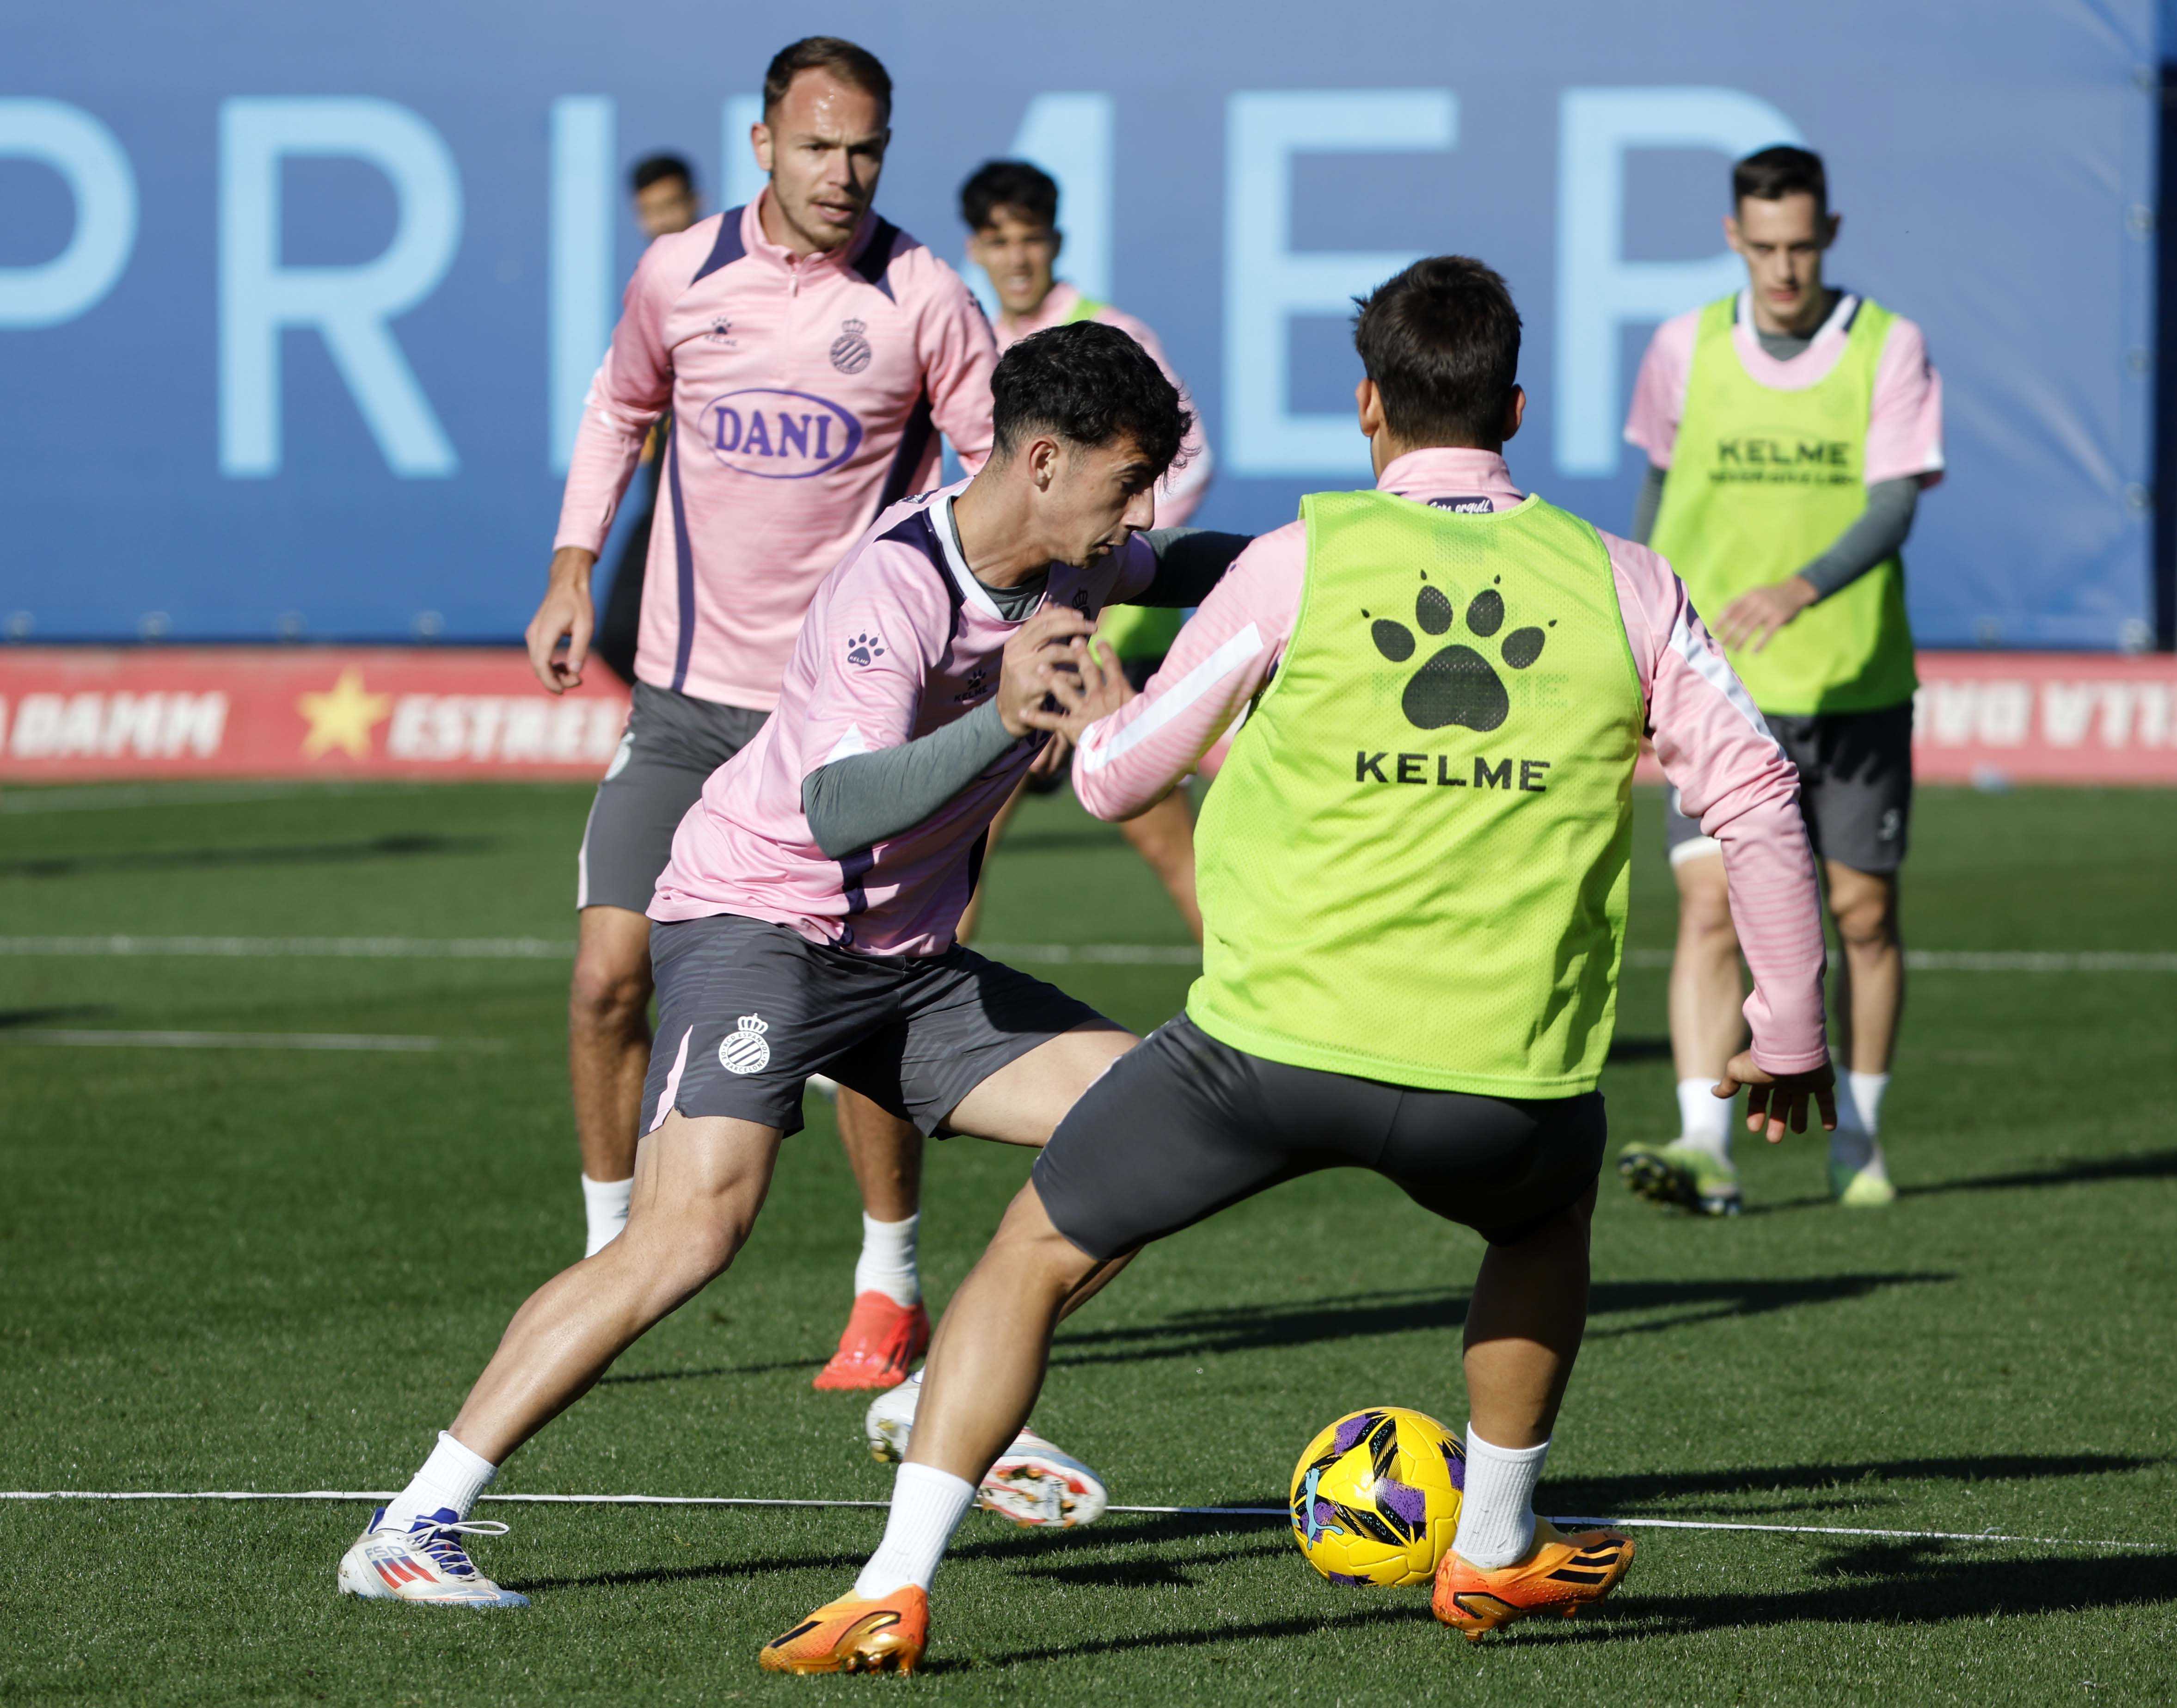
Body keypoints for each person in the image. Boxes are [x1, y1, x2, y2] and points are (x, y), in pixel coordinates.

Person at [760, 257, 1837, 1675]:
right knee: (1542, 1224)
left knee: (1028, 1257)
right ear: (1515, 407)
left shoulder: (1298, 558)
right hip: (1496, 1073)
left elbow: (1118, 779)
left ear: (1367, 405)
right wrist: (1787, 1027)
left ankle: (890, 1587)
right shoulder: (1624, 580)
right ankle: (1493, 1546)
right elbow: (1756, 797)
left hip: (1260, 1052)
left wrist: (1109, 706)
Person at [340, 319, 1251, 1609]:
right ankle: (413, 1520)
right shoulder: (895, 584)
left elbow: (1200, 562)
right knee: (692, 1229)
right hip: (758, 924)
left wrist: (1330, 553)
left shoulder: (1079, 555)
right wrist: (1003, 713)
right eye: (1128, 482)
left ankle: (938, 1391)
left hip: (904, 962)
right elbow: (837, 807)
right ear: (1042, 461)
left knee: (1160, 1121)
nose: (1142, 514)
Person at [526, 38, 997, 1392]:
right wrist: (571, 567)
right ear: (762, 146)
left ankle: (889, 1278)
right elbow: (616, 410)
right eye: (816, 147)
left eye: (865, 150)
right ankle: (611, 1254)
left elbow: (992, 481)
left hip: (844, 727)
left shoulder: (923, 297)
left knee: (864, 1013)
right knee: (606, 976)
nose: (841, 173)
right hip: (686, 710)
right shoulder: (679, 275)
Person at [1614, 145, 1943, 1216]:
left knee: (1860, 913)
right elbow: (1657, 496)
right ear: (1732, 239)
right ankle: (1703, 1142)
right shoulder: (1682, 347)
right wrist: (1634, 644)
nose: (1783, 268)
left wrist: (1801, 587)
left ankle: (1858, 1135)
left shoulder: (1886, 345)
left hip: (1850, 679)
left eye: (1799, 245)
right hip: (1715, 684)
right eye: (1763, 247)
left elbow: (1893, 502)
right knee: (1707, 902)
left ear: (1828, 235)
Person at [954, 159, 1216, 942]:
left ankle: (1264, 1004)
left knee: (1173, 849)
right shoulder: (968, 341)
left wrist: (1099, 562)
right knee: (954, 853)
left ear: (1056, 241)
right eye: (999, 240)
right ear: (975, 248)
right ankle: (907, 1019)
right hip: (1015, 644)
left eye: (1030, 238)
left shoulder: (1111, 334)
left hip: (1114, 644)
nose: (1016, 257)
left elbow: (1190, 461)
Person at [590, 153, 706, 687]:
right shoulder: (651, 285)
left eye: (671, 205)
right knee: (619, 634)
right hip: (660, 494)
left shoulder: (729, 277)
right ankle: (682, 720)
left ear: (695, 203)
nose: (662, 221)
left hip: (717, 494)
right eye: (650, 210)